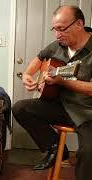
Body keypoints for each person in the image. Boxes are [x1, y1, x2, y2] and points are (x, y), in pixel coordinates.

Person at [12, 5, 92, 180]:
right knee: (20, 108)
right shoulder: (58, 44)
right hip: (60, 106)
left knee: (88, 153)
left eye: (61, 29)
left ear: (79, 24)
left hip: (87, 113)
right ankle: (56, 149)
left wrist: (63, 82)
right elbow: (40, 58)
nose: (57, 35)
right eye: (54, 29)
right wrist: (27, 74)